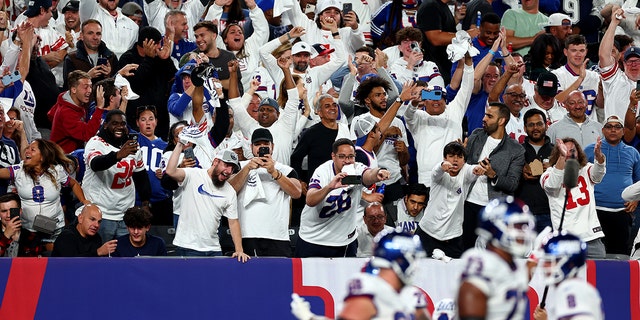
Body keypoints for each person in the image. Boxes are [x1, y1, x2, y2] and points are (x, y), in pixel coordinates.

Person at [290, 230, 426, 319]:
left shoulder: (412, 294)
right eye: (413, 259)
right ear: (399, 260)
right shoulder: (370, 287)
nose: (416, 265)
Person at [295, 138, 390, 258]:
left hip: (344, 240)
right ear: (333, 156)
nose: (347, 161)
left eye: (351, 156)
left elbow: (368, 174)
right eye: (342, 156)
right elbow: (310, 200)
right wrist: (329, 187)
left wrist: (378, 173)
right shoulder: (323, 171)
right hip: (314, 237)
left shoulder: (357, 168)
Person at [165, 142, 250, 261]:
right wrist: (180, 144)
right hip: (188, 246)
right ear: (215, 162)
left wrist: (239, 250)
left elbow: (233, 222)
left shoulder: (229, 191)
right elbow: (170, 171)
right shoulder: (193, 174)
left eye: (232, 168)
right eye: (226, 165)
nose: (229, 171)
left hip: (214, 249)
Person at [0, 139, 89, 250]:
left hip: (54, 228)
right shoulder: (18, 170)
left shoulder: (56, 171)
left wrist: (84, 201)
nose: (27, 151)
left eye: (32, 149)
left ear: (42, 157)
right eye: (27, 148)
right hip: (28, 230)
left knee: (53, 262)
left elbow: (74, 184)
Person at [457, 197, 536, 319]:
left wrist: (536, 257)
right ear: (496, 227)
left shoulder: (507, 264)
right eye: (518, 226)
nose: (524, 232)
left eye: (525, 226)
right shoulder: (482, 262)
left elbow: (515, 282)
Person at [228, 128, 302, 257]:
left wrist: (274, 172)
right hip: (246, 235)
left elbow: (297, 193)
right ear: (251, 147)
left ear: (272, 147)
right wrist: (247, 169)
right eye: (257, 145)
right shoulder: (240, 166)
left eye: (265, 144)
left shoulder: (286, 170)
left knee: (277, 277)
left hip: (277, 236)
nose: (261, 147)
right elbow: (228, 191)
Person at [463, 102, 525, 250]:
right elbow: (463, 164)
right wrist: (461, 151)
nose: (484, 118)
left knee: (492, 252)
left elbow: (513, 183)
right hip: (467, 203)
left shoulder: (516, 149)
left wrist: (492, 174)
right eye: (485, 114)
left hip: (493, 209)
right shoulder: (476, 136)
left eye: (489, 116)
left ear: (501, 121)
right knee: (464, 250)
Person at [82, 110, 151, 241]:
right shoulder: (96, 142)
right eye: (114, 123)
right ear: (106, 125)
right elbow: (96, 164)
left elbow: (141, 176)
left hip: (126, 214)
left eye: (123, 124)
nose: (120, 127)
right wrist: (118, 155)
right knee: (100, 257)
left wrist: (146, 203)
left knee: (123, 259)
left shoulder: (132, 146)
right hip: (100, 214)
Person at [541, 137, 606, 259]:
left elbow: (598, 174)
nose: (569, 152)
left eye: (573, 150)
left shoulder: (586, 169)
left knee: (597, 276)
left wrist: (599, 157)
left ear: (579, 153)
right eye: (565, 149)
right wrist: (562, 156)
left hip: (591, 238)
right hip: (565, 241)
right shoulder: (548, 174)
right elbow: (552, 186)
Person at [416, 141, 484, 258]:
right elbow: (437, 171)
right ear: (445, 158)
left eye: (459, 157)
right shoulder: (438, 175)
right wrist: (442, 166)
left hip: (453, 236)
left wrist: (477, 168)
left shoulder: (465, 172)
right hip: (428, 232)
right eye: (451, 156)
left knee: (455, 272)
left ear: (464, 160)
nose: (455, 160)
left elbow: (472, 170)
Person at [584, 115, 640, 256]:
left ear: (623, 131)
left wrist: (636, 199)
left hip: (623, 212)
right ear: (603, 130)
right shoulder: (590, 150)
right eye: (609, 127)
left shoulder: (633, 152)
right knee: (595, 256)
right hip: (595, 212)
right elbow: (581, 178)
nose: (613, 130)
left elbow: (639, 181)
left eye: (617, 127)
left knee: (620, 256)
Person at [119, 26, 176, 139]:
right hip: (136, 118)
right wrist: (148, 59)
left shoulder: (159, 57)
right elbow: (136, 85)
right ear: (147, 43)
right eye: (158, 43)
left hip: (160, 117)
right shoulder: (127, 59)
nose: (160, 47)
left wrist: (166, 59)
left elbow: (173, 77)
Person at [533, 232, 604, 320]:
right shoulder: (574, 288)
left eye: (549, 261)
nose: (544, 265)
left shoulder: (571, 291)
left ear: (568, 264)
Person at [48, 71, 114, 153]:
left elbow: (50, 115)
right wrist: (99, 108)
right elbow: (87, 134)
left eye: (90, 86)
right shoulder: (66, 112)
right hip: (63, 157)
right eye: (85, 87)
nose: (89, 90)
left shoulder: (74, 102)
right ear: (74, 89)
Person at [516, 109, 554, 233]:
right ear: (525, 128)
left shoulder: (557, 152)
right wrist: (520, 172)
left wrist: (553, 170)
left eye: (539, 124)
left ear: (546, 125)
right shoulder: (517, 151)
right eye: (531, 125)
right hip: (522, 213)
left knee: (547, 252)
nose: (535, 128)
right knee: (522, 252)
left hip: (550, 213)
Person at [135, 105, 173, 226]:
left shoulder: (166, 146)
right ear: (137, 123)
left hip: (161, 201)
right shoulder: (134, 141)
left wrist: (166, 174)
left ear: (156, 122)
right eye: (143, 119)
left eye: (151, 119)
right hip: (136, 200)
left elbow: (174, 171)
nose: (148, 123)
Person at [62, 19, 119, 90]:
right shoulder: (72, 58)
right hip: (83, 101)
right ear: (81, 36)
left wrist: (108, 76)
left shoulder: (111, 57)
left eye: (98, 34)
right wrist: (87, 77)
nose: (95, 37)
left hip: (105, 99)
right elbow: (68, 88)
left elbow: (118, 87)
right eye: (90, 33)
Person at [51, 204, 118, 257]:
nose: (96, 225)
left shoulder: (97, 238)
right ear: (80, 218)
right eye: (92, 219)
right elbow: (71, 264)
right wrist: (98, 252)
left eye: (99, 222)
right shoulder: (66, 236)